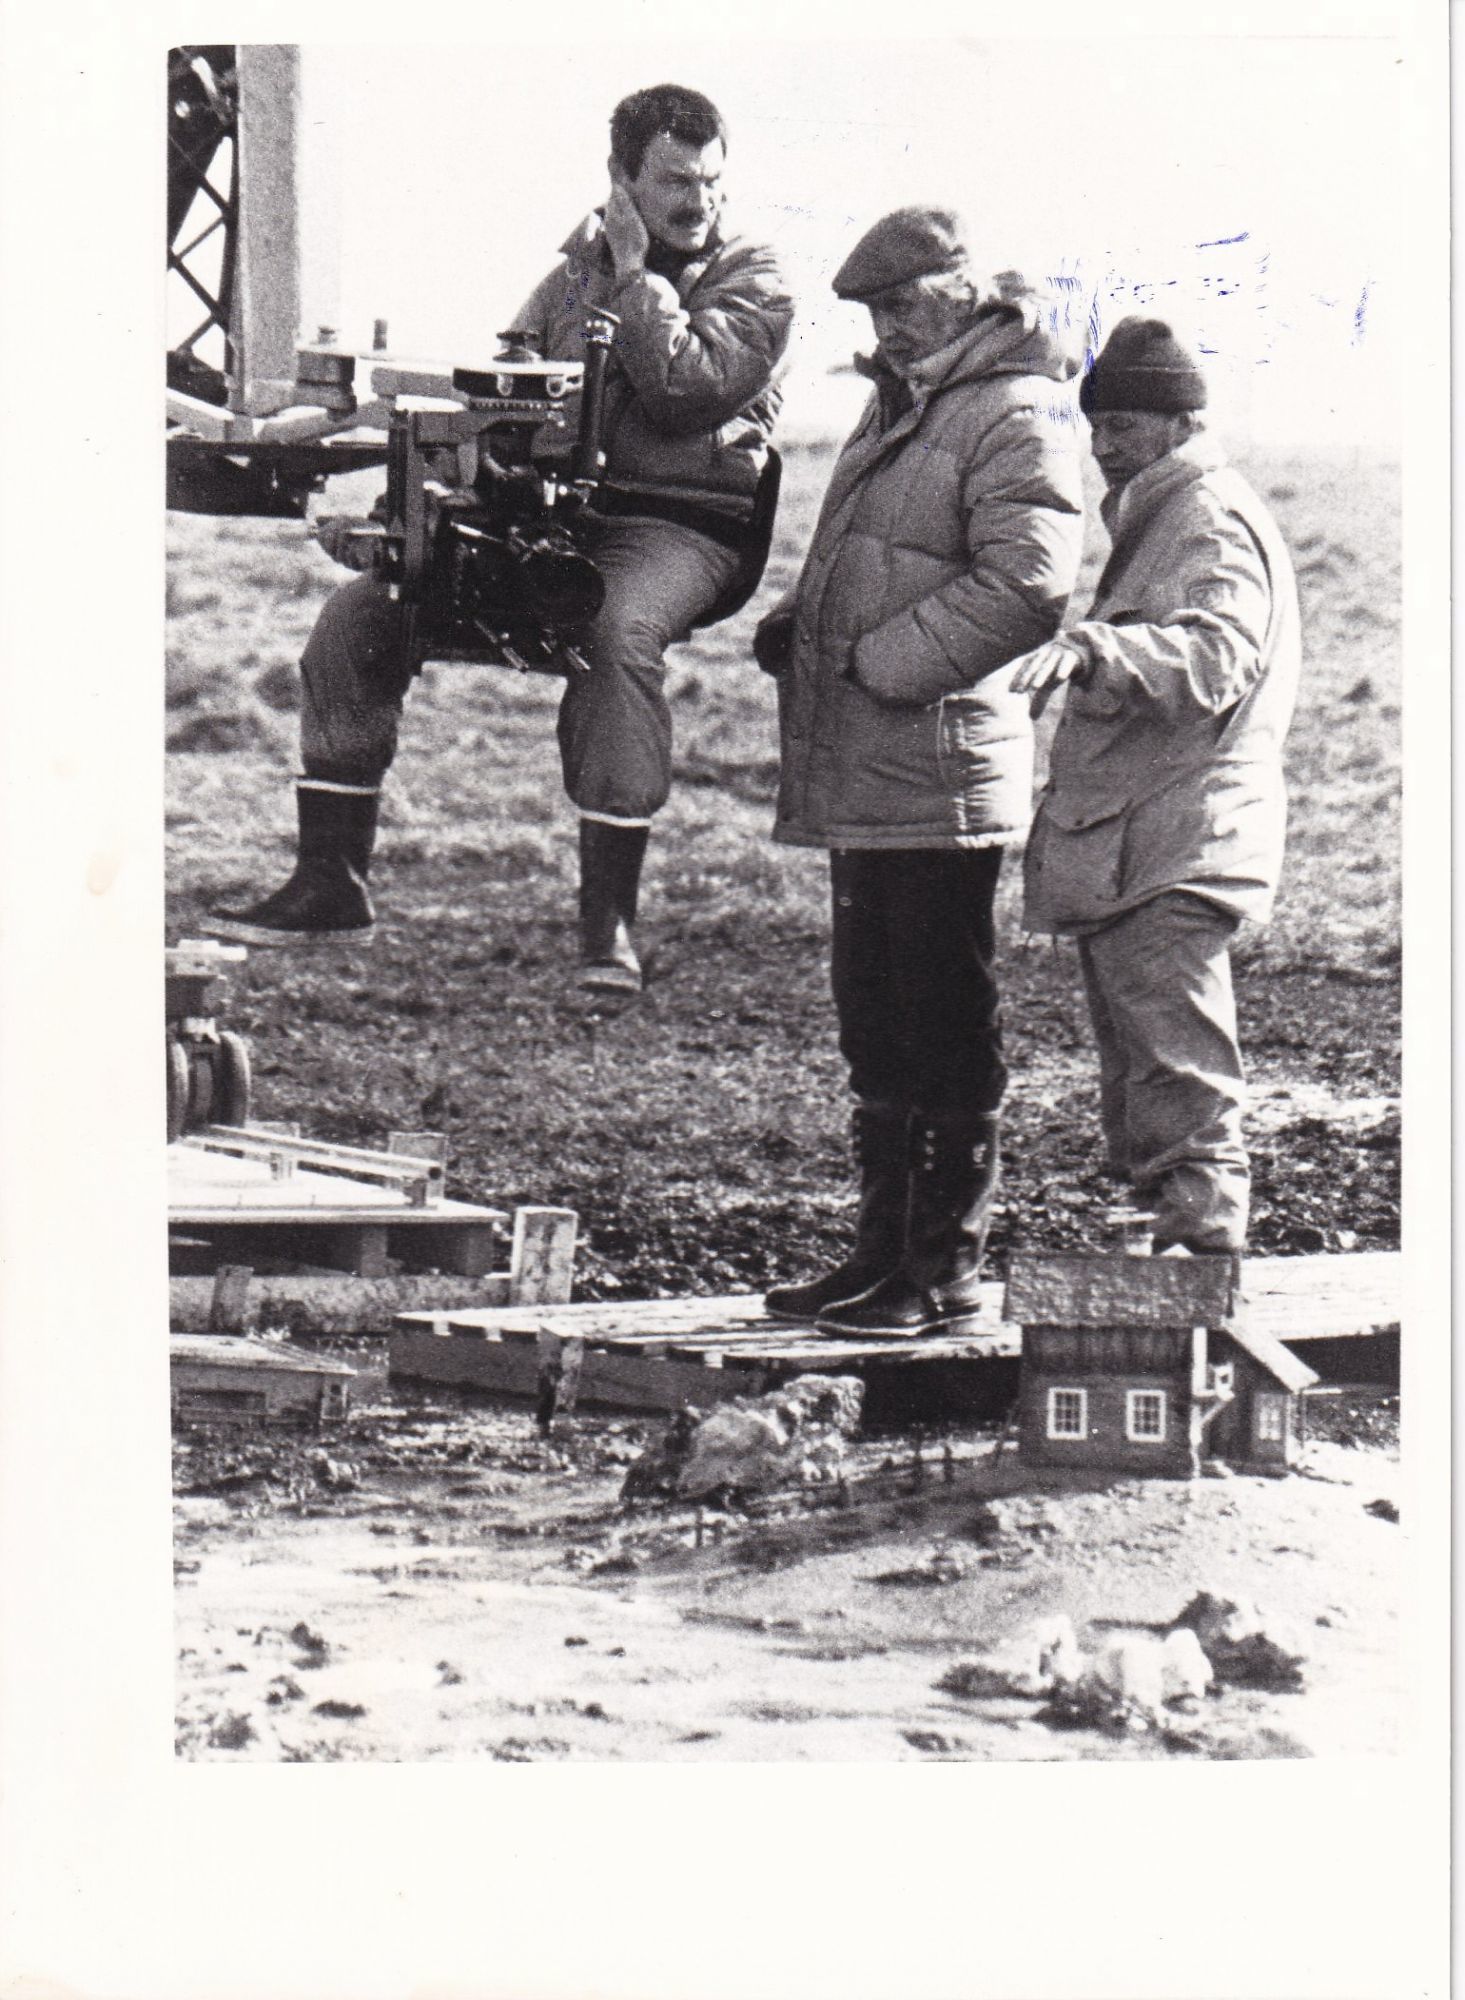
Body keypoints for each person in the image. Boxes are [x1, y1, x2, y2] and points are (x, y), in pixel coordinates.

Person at [208, 83, 794, 995]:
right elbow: (506, 393)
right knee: (363, 615)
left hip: (681, 522)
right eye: (676, 180)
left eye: (710, 181)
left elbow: (687, 391)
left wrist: (634, 274)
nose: (699, 201)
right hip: (559, 516)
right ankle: (332, 881)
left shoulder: (754, 278)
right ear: (621, 177)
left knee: (613, 633)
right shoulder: (569, 276)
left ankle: (607, 925)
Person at [757, 207, 1084, 1337]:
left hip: (939, 769)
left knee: (942, 1018)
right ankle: (880, 1255)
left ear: (962, 291)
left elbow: (1028, 584)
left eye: (901, 304)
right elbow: (881, 557)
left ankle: (941, 1270)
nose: (885, 328)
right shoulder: (908, 399)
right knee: (876, 1017)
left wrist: (880, 663)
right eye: (872, 311)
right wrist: (803, 625)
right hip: (875, 764)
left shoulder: (1015, 408)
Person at [1014, 316, 1301, 1254]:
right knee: (1151, 1063)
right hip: (1150, 839)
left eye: (1124, 428)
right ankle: (1170, 1249)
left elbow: (1218, 658)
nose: (1103, 447)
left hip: (1175, 842)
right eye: (1096, 427)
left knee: (1177, 1068)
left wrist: (1095, 648)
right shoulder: (1166, 512)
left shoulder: (1203, 518)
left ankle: (1198, 1248)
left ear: (1181, 425)